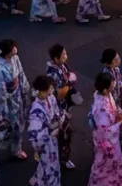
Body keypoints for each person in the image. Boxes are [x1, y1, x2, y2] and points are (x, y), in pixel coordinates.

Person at [88, 71, 122, 186]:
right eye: (111, 86)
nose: (113, 86)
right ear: (105, 89)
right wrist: (121, 121)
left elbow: (114, 108)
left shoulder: (103, 95)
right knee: (104, 168)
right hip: (107, 142)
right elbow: (105, 131)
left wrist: (120, 113)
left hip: (111, 140)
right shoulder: (101, 109)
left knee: (110, 166)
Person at [0, 38, 30, 160]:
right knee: (9, 125)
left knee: (19, 123)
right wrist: (3, 108)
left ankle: (16, 148)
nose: (15, 49)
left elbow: (21, 73)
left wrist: (24, 88)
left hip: (17, 95)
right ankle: (7, 146)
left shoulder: (15, 59)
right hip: (8, 100)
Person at [46, 43, 80, 171]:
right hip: (57, 110)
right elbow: (57, 95)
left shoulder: (64, 66)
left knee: (66, 133)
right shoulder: (52, 75)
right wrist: (68, 86)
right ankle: (58, 159)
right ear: (56, 59)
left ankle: (64, 158)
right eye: (63, 54)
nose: (66, 56)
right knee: (60, 134)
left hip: (65, 107)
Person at [28, 75, 63, 186]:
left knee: (50, 164)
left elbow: (56, 112)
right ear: (40, 91)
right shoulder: (36, 110)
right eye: (48, 90)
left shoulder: (51, 97)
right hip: (45, 140)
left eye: (51, 89)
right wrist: (51, 130)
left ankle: (39, 181)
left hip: (52, 137)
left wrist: (59, 119)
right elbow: (34, 135)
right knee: (49, 166)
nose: (50, 92)